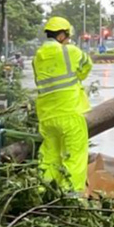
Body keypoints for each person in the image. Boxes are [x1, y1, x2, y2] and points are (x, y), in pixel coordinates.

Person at [33, 16, 93, 193]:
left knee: (49, 157)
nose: (68, 40)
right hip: (70, 114)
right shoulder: (71, 52)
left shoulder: (37, 57)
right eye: (67, 37)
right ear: (61, 36)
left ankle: (44, 194)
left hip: (46, 116)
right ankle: (70, 199)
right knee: (74, 158)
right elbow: (87, 65)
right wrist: (78, 77)